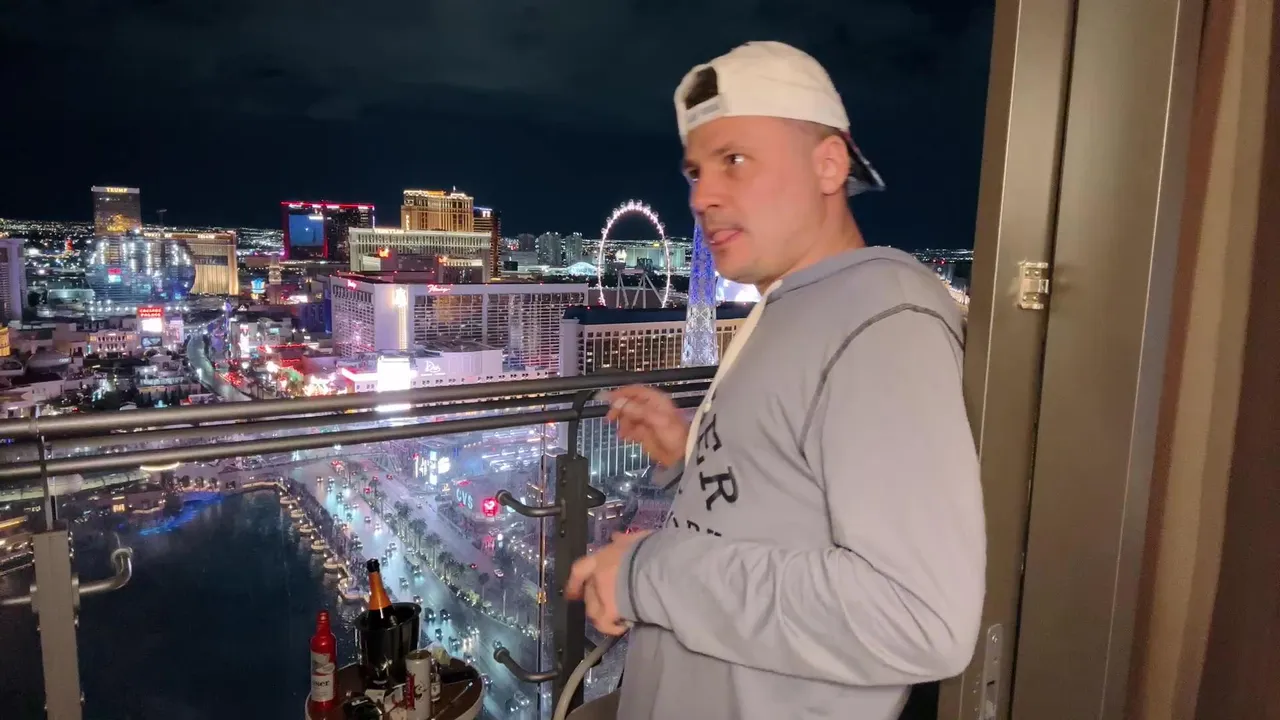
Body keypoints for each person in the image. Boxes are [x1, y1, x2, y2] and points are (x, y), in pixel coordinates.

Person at [565, 41, 986, 720]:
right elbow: (786, 496)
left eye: (735, 160)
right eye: (696, 170)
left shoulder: (882, 321)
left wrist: (650, 574)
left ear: (829, 164)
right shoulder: (788, 307)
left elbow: (916, 617)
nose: (702, 195)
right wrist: (689, 451)